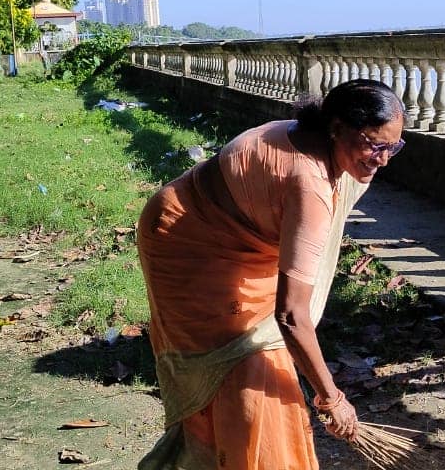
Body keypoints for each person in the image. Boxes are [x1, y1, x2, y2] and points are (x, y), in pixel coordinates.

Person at [136, 79, 406, 469]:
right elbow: (291, 316)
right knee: (248, 375)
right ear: (336, 127)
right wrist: (332, 398)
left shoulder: (315, 140)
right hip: (187, 245)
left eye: (393, 147)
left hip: (233, 244)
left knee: (248, 377)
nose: (383, 159)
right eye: (373, 145)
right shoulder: (309, 184)